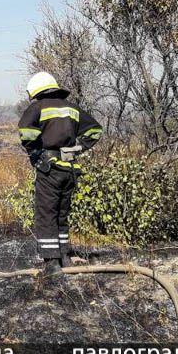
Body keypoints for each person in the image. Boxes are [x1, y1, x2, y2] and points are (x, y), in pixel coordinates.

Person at [18, 72, 103, 274]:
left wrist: (35, 151)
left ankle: (51, 262)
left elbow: (26, 132)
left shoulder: (37, 107)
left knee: (47, 213)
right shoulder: (72, 108)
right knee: (62, 214)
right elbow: (95, 131)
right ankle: (65, 256)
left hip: (49, 168)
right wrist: (77, 148)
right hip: (70, 168)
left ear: (36, 91)